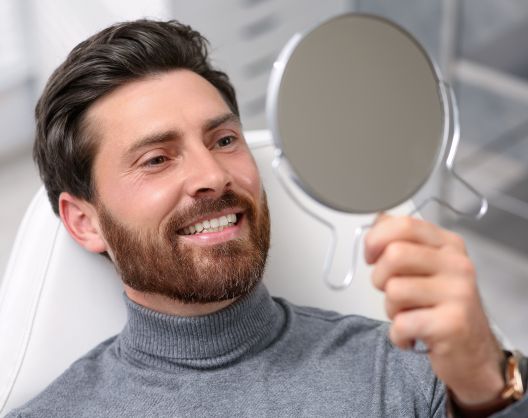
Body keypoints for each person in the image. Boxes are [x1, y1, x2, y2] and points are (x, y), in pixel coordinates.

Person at [7, 19, 527, 417]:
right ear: (84, 222)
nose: (212, 174)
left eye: (224, 140)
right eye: (157, 159)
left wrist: (490, 384)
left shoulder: (409, 375)